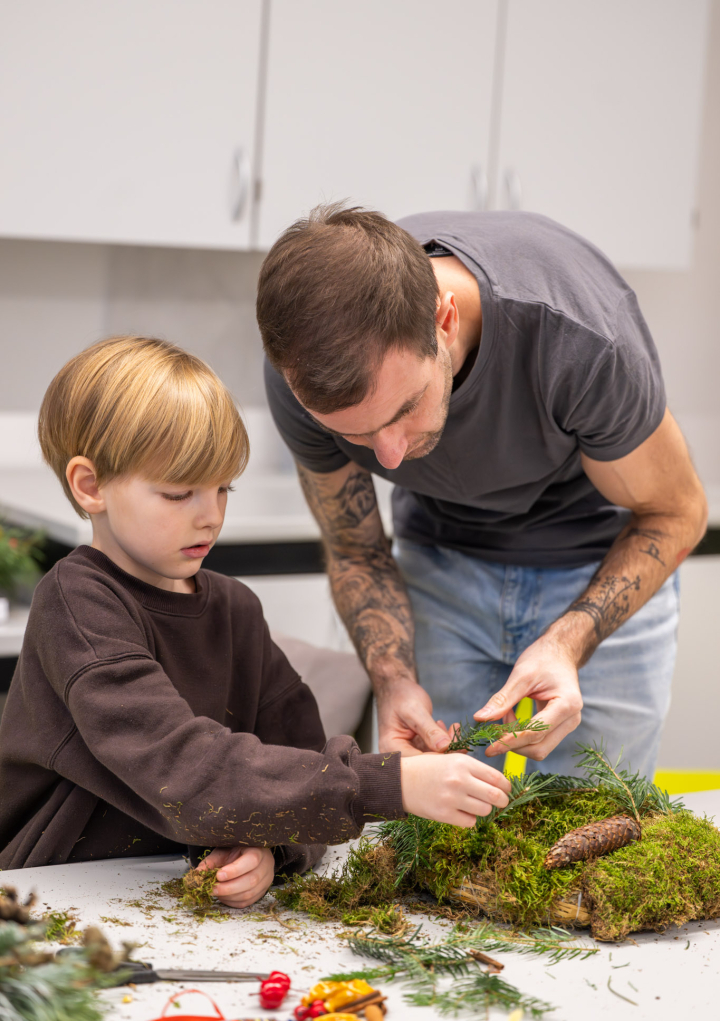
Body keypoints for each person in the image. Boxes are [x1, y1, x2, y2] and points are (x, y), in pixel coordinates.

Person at [0, 336, 511, 895]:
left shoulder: (236, 609)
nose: (210, 517)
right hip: (53, 896)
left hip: (173, 896)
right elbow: (183, 768)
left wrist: (274, 848)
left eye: (223, 488)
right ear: (91, 485)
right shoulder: (76, 603)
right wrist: (391, 785)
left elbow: (303, 762)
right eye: (179, 494)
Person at [258, 205, 708, 779]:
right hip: (439, 569)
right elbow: (356, 549)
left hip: (595, 564)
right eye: (355, 435)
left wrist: (568, 643)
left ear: (444, 321)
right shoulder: (299, 379)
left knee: (592, 838)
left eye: (405, 409)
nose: (389, 455)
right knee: (431, 840)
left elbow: (677, 513)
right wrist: (393, 682)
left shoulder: (580, 339)